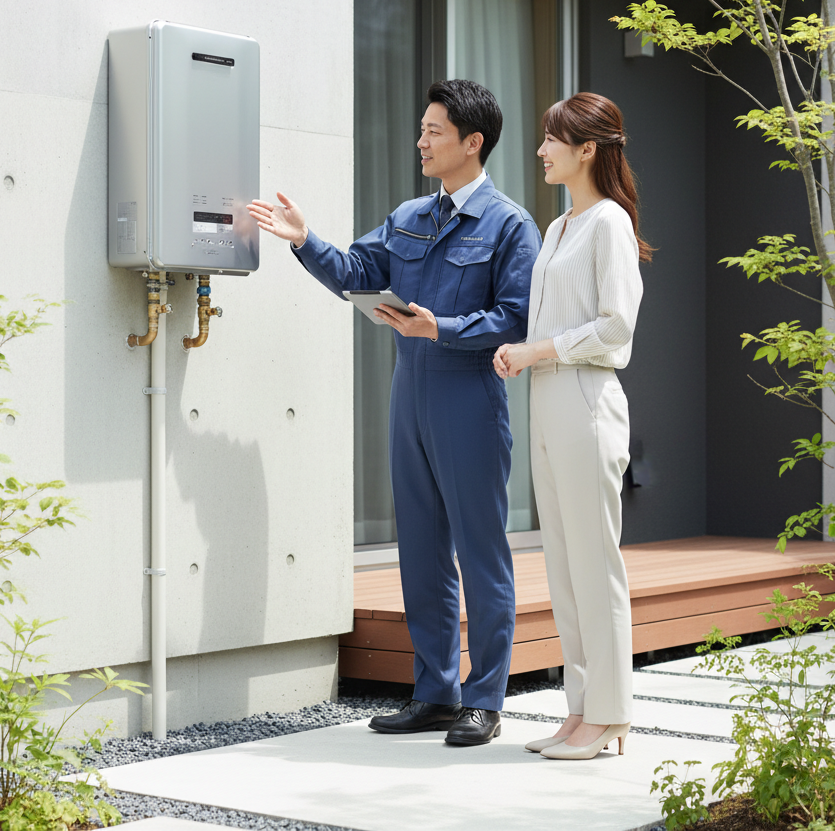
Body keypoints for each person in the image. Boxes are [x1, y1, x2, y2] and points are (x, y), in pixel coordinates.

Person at [247, 79, 541, 746]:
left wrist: (445, 328)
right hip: (407, 395)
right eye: (421, 129)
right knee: (421, 550)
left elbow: (519, 316)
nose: (421, 141)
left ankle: (485, 698)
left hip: (468, 394)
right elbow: (356, 268)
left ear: (473, 142)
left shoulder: (509, 224)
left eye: (434, 131)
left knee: (481, 549)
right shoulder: (410, 214)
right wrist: (304, 241)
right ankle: (435, 692)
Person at [494, 92, 648, 761]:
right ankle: (582, 709)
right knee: (562, 564)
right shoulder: (559, 228)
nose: (541, 150)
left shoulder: (609, 221)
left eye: (553, 139)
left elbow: (616, 327)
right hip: (549, 401)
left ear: (588, 148)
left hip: (586, 399)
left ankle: (611, 713)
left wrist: (538, 351)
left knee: (595, 564)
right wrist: (522, 351)